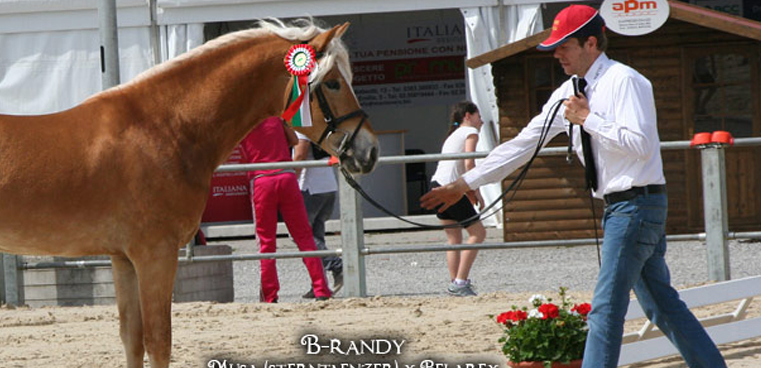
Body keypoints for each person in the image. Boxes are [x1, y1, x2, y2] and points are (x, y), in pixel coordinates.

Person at [420, 5, 726, 368]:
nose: (557, 54)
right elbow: (522, 145)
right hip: (623, 207)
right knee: (661, 306)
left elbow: (641, 145)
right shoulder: (567, 92)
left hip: (636, 205)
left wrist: (587, 119)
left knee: (605, 310)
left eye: (564, 46)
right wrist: (464, 183)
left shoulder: (624, 81)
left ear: (591, 42)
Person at [241, 116, 333, 303]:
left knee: (266, 242)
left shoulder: (243, 121)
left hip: (261, 179)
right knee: (304, 236)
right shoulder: (275, 118)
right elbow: (294, 141)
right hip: (286, 176)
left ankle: (270, 295)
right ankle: (321, 289)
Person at [428, 101, 486, 297]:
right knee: (478, 233)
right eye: (478, 116)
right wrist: (475, 190)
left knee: (453, 238)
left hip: (437, 185)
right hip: (451, 188)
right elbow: (469, 162)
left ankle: (455, 282)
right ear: (468, 116)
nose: (481, 121)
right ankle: (461, 282)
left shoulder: (453, 134)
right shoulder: (470, 132)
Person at [292, 133, 344, 298]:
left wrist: (292, 180)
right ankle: (318, 284)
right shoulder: (316, 125)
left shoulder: (300, 123)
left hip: (310, 186)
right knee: (316, 237)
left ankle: (337, 265)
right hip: (327, 184)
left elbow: (300, 154)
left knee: (299, 235)